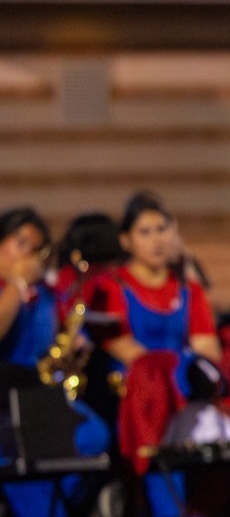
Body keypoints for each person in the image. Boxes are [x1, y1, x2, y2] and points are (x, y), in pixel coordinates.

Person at [81, 196, 230, 516]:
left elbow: (208, 351)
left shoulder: (189, 290)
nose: (156, 240)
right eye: (145, 232)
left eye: (162, 229)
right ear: (126, 240)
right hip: (137, 396)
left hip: (184, 393)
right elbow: (123, 349)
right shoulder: (110, 287)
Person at [0, 207, 112, 517]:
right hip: (5, 403)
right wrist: (16, 285)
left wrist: (72, 349)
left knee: (94, 434)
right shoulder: (13, 288)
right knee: (25, 458)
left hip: (39, 395)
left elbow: (51, 343)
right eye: (22, 243)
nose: (31, 254)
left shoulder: (46, 294)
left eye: (38, 247)